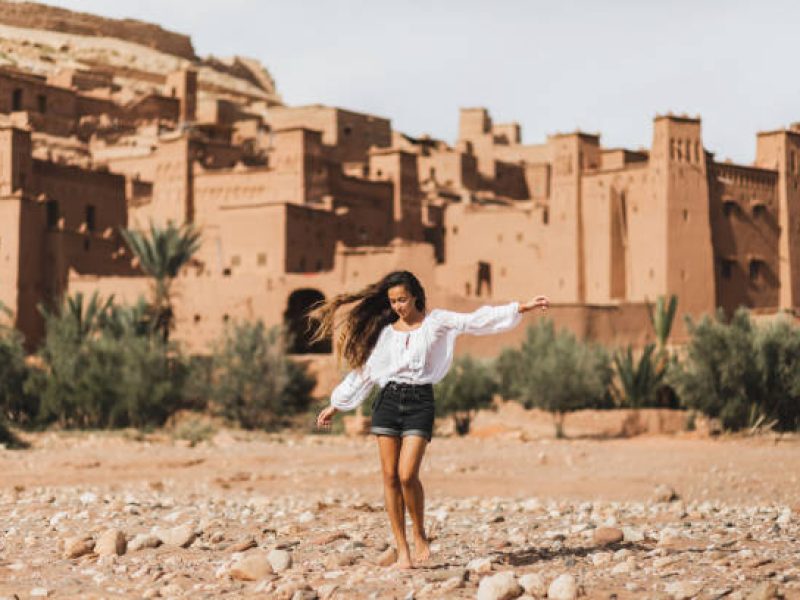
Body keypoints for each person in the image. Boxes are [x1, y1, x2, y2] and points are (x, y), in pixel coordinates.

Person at [310, 270, 549, 569]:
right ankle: (402, 550)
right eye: (393, 301)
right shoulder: (385, 334)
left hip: (420, 402)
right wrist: (336, 404)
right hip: (387, 402)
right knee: (389, 477)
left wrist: (519, 308)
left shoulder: (436, 323)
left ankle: (419, 533)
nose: (398, 306)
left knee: (407, 474)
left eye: (403, 299)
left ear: (416, 296)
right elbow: (367, 373)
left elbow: (475, 320)